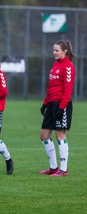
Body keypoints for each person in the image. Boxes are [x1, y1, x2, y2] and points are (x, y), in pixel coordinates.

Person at [39, 40, 75, 177]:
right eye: (53, 50)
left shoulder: (68, 66)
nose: (54, 52)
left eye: (56, 50)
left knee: (60, 135)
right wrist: (45, 103)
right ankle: (53, 167)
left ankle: (64, 169)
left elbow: (68, 90)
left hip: (61, 104)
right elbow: (51, 87)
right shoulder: (55, 65)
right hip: (51, 103)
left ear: (64, 51)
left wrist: (62, 107)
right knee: (43, 135)